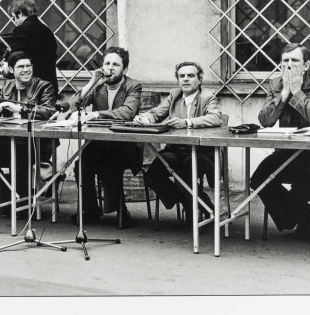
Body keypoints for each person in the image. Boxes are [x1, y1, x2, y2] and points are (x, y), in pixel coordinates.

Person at [249, 43, 310, 240]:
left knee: (305, 184)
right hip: (286, 152)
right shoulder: (275, 84)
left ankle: (298, 217)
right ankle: (302, 214)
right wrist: (284, 94)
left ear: (306, 65)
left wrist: (297, 93)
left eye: (295, 61)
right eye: (285, 61)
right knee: (259, 179)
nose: (289, 65)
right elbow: (265, 120)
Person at [136, 61, 222, 222]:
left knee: (185, 175)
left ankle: (194, 209)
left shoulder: (207, 97)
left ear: (200, 79)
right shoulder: (174, 95)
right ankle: (191, 202)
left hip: (201, 151)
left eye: (190, 75)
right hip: (177, 150)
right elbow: (157, 113)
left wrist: (187, 122)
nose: (186, 79)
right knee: (153, 175)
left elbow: (216, 117)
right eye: (182, 76)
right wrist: (145, 118)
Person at [68, 46, 142, 228]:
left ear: (124, 69)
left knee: (109, 165)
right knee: (81, 164)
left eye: (115, 64)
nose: (110, 67)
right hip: (99, 142)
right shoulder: (99, 85)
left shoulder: (133, 86)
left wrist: (96, 115)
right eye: (107, 63)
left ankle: (120, 210)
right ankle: (90, 210)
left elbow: (127, 112)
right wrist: (92, 81)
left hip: (125, 144)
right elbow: (74, 104)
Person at [0, 51, 56, 204]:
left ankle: (22, 204)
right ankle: (4, 199)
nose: (26, 69)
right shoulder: (8, 85)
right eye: (21, 66)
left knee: (19, 161)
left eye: (29, 66)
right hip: (8, 141)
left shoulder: (44, 86)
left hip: (35, 143)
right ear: (11, 70)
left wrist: (20, 109)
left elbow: (48, 112)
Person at [1, 0, 59, 97]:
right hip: (50, 87)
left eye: (13, 16)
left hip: (31, 90)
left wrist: (7, 66)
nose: (13, 20)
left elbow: (16, 57)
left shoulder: (21, 30)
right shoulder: (47, 31)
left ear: (19, 12)